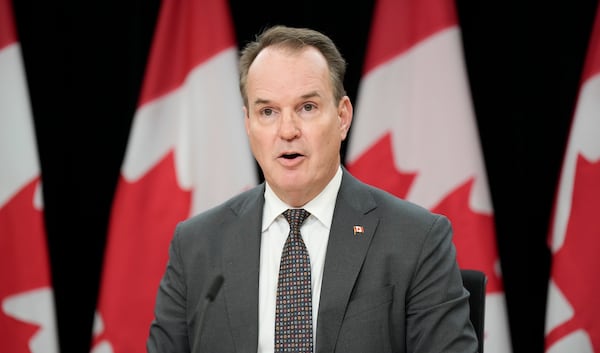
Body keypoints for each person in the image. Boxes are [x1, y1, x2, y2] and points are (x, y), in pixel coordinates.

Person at [147, 24, 478, 353]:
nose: (287, 130)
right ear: (248, 125)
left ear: (342, 117)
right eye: (268, 112)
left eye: (307, 107)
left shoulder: (416, 240)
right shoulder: (196, 247)